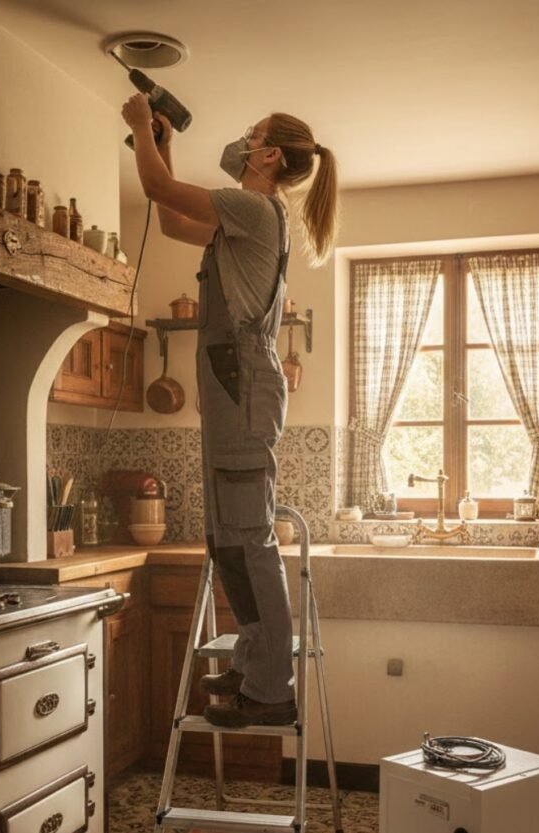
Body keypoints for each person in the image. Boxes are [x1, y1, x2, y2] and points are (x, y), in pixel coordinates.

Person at [121, 94, 338, 727]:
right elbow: (169, 219)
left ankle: (272, 690)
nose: (243, 138)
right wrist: (163, 142)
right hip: (230, 383)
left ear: (269, 156)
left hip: (240, 382)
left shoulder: (253, 207)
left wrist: (139, 128)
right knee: (228, 540)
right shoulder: (238, 219)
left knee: (249, 538)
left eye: (253, 133)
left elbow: (157, 189)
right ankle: (253, 663)